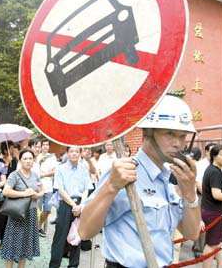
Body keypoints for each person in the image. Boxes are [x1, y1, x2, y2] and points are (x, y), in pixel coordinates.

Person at [79, 95, 201, 267]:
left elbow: (192, 233)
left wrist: (189, 193)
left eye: (183, 136)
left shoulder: (167, 178)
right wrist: (110, 186)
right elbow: (84, 231)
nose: (178, 143)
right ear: (147, 134)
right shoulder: (124, 173)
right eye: (169, 134)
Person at [49, 146, 94, 268]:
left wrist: (81, 205)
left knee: (76, 237)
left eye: (76, 151)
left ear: (80, 154)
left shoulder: (84, 169)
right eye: (71, 151)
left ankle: (73, 265)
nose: (74, 154)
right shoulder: (60, 169)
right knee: (60, 236)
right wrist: (74, 205)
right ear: (67, 154)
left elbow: (86, 189)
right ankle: (54, 265)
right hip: (66, 205)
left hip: (80, 205)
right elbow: (60, 190)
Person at [1, 149, 44, 268]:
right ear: (20, 160)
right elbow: (6, 191)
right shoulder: (14, 175)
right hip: (17, 213)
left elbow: (42, 191)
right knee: (12, 244)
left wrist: (37, 195)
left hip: (31, 213)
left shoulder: (35, 175)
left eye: (30, 158)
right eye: (25, 158)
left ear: (34, 160)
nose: (28, 161)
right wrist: (25, 193)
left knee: (26, 244)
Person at [36, 139, 58, 237]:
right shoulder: (37, 156)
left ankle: (38, 226)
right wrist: (40, 162)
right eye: (43, 144)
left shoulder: (52, 157)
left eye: (47, 145)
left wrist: (44, 175)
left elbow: (54, 171)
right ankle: (37, 228)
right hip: (38, 187)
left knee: (48, 209)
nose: (45, 146)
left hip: (49, 187)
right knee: (37, 209)